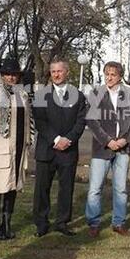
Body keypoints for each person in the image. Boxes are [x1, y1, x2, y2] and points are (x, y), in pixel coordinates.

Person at [85, 61, 130, 237]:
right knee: (95, 188)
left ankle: (119, 223)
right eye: (107, 74)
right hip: (102, 148)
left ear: (120, 76)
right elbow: (92, 121)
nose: (109, 78)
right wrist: (108, 141)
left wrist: (126, 140)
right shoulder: (96, 93)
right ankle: (93, 223)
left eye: (113, 75)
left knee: (121, 188)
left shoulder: (129, 93)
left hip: (123, 149)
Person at [32, 59, 87, 237]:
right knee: (42, 188)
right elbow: (40, 121)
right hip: (47, 149)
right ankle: (41, 223)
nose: (56, 74)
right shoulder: (41, 95)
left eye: (59, 71)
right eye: (53, 71)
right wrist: (56, 139)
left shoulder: (78, 96)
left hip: (68, 150)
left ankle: (62, 222)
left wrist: (68, 139)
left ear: (67, 72)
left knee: (66, 188)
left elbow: (81, 121)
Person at [0, 59, 32, 240]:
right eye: (8, 74)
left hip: (18, 145)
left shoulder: (23, 95)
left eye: (14, 74)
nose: (11, 77)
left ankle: (7, 223)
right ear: (2, 76)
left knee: (12, 185)